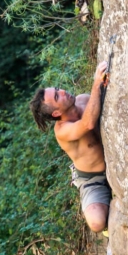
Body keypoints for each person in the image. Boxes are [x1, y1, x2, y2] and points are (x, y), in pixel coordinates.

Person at [29, 61, 111, 233]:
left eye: (58, 89)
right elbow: (88, 123)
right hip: (92, 179)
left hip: (112, 164)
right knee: (96, 223)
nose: (63, 91)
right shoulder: (62, 131)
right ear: (56, 113)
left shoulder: (83, 99)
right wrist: (96, 84)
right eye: (58, 97)